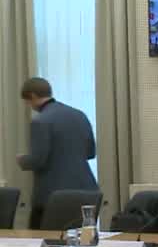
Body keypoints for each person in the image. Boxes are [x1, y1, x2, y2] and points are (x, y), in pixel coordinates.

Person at [15, 77, 98, 229]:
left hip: (53, 196)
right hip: (87, 194)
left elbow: (38, 160)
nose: (29, 106)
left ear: (32, 96)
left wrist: (22, 160)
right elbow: (91, 153)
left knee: (39, 239)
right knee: (83, 239)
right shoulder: (80, 115)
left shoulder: (40, 121)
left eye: (27, 102)